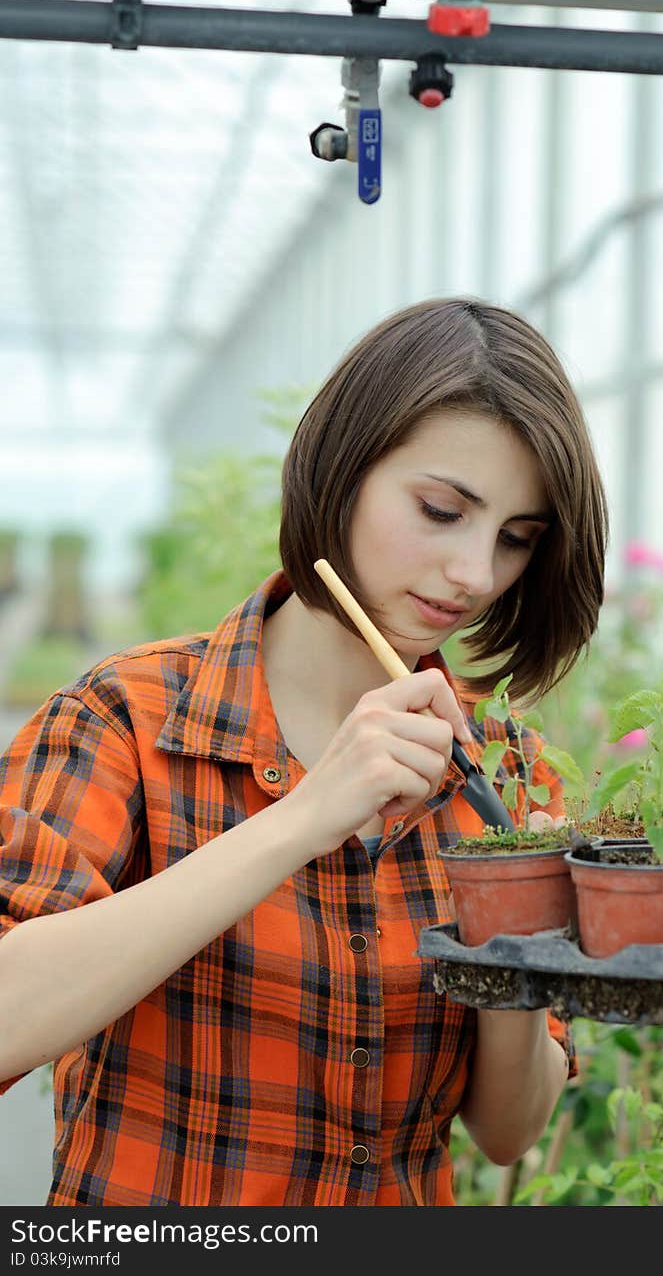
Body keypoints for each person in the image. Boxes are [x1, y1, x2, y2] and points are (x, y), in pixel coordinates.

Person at [0, 296, 608, 1207]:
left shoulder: (507, 772)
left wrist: (518, 947)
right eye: (442, 510)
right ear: (343, 468)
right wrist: (302, 819)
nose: (476, 574)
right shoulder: (124, 717)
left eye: (516, 539)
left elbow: (507, 1129)